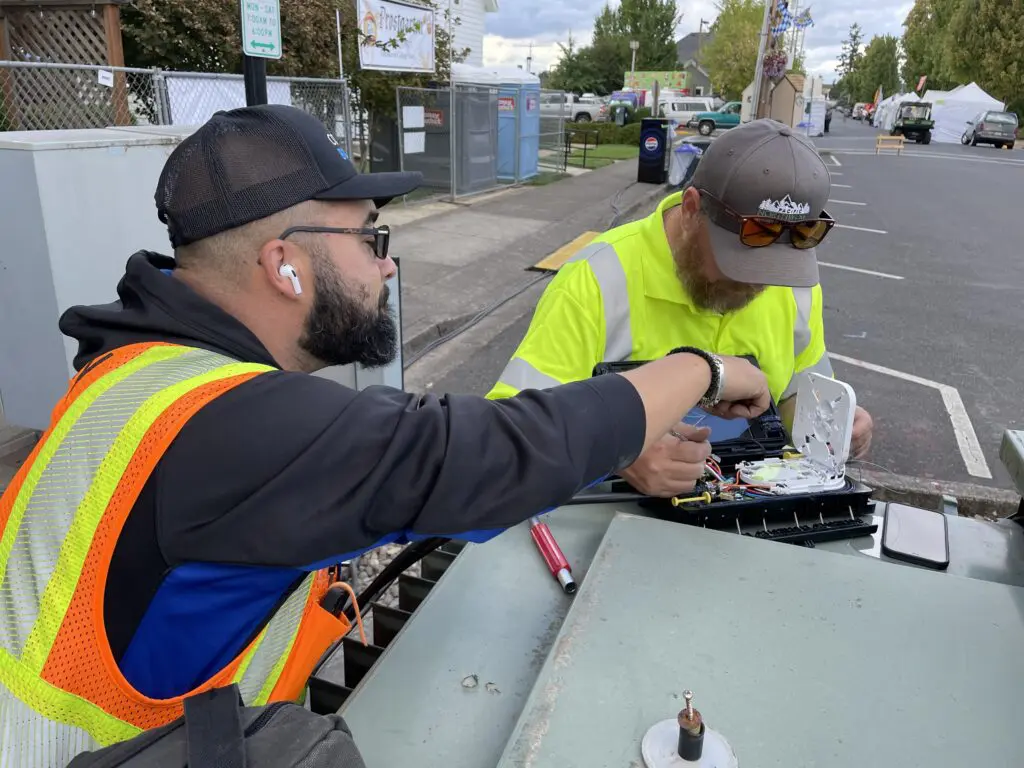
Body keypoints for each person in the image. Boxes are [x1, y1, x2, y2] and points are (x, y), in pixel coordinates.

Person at [0, 104, 771, 763]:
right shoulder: (235, 429)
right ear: (284, 266)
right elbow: (491, 456)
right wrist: (699, 369)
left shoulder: (139, 369)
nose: (388, 268)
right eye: (370, 240)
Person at [486, 119, 874, 498]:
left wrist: (834, 426)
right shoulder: (599, 277)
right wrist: (615, 451)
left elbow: (797, 394)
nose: (759, 284)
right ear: (691, 210)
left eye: (778, 265)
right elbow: (508, 435)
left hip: (749, 510)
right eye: (740, 261)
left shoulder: (795, 287)